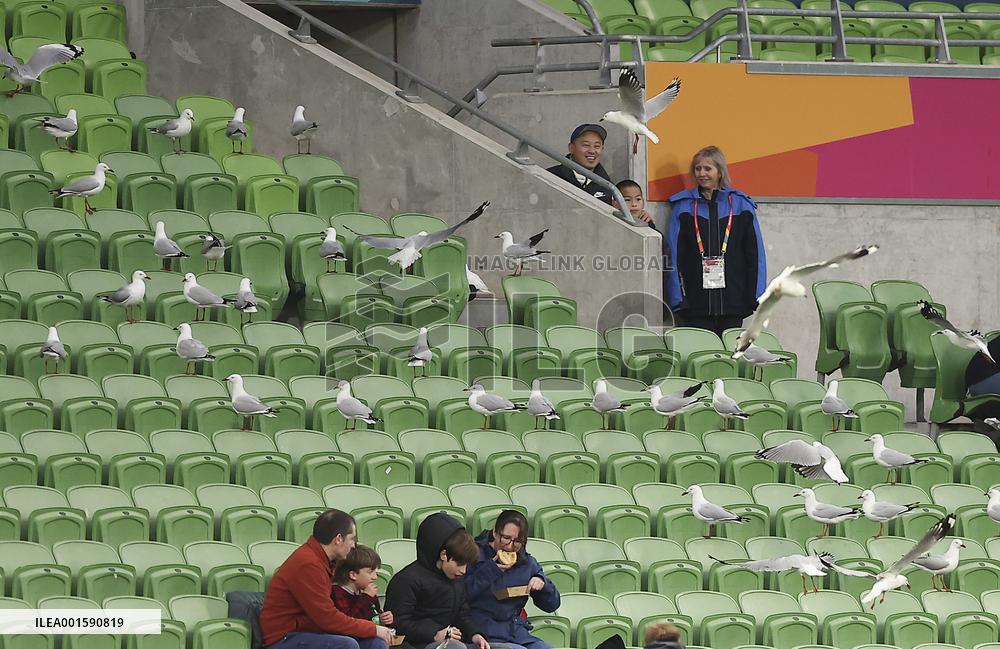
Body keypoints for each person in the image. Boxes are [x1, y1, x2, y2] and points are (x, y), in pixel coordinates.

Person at [665, 145, 766, 337]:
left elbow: (756, 254)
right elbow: (674, 254)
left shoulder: (741, 205)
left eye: (707, 168)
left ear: (720, 171)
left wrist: (756, 295)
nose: (701, 173)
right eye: (697, 168)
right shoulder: (683, 206)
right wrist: (678, 297)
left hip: (734, 301)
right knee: (702, 357)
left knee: (729, 357)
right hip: (695, 302)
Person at [260, 509, 395, 649]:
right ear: (338, 539)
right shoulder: (308, 564)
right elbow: (327, 618)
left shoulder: (325, 561)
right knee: (347, 645)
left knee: (376, 643)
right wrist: (374, 629)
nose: (354, 545)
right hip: (285, 637)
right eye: (352, 538)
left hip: (312, 631)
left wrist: (374, 630)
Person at [385, 512, 490, 649]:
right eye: (460, 564)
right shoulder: (406, 580)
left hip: (451, 641)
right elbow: (397, 623)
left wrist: (475, 634)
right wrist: (433, 634)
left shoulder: (456, 579)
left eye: (467, 565)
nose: (464, 571)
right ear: (444, 555)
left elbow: (462, 615)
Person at [463, 510, 561, 649]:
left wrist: (543, 586)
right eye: (506, 538)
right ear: (495, 533)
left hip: (514, 631)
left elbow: (553, 605)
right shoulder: (474, 554)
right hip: (481, 630)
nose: (510, 546)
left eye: (517, 541)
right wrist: (490, 570)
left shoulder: (527, 563)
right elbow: (460, 595)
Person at [545, 123, 614, 204]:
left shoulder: (609, 187)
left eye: (597, 146)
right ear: (571, 148)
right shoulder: (550, 177)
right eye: (586, 145)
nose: (592, 151)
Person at [332, 545, 394, 626]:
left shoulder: (365, 590)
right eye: (370, 572)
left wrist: (383, 618)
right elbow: (349, 622)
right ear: (353, 575)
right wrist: (366, 597)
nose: (375, 577)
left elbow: (373, 616)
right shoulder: (337, 592)